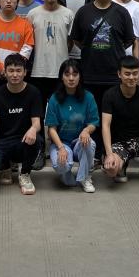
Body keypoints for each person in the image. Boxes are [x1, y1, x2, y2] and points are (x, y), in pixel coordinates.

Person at [69, 0, 135, 108]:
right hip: (89, 75)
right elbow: (76, 39)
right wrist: (90, 47)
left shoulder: (122, 12)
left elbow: (129, 40)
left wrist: (114, 48)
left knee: (113, 114)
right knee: (91, 114)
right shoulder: (83, 12)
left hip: (115, 76)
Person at [0, 53, 44, 194]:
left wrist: (33, 129)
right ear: (5, 72)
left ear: (25, 72)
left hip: (23, 140)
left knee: (37, 140)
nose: (15, 75)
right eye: (11, 71)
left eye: (18, 71)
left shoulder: (33, 92)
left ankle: (25, 173)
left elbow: (37, 123)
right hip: (3, 141)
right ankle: (5, 168)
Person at [100, 56, 139, 184]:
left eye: (135, 73)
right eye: (127, 74)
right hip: (119, 143)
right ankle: (119, 164)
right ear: (119, 74)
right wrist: (109, 154)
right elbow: (105, 126)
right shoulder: (110, 95)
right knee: (111, 170)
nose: (131, 77)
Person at [45, 59, 99, 193]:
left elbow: (94, 122)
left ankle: (85, 177)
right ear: (61, 77)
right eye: (67, 74)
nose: (71, 78)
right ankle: (65, 173)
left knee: (89, 143)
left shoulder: (88, 97)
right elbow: (51, 129)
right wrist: (61, 147)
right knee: (61, 165)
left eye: (75, 74)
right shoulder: (54, 99)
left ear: (80, 77)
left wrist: (86, 130)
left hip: (78, 142)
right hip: (61, 142)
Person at [28, 0, 75, 103]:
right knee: (39, 106)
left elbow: (71, 41)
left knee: (60, 105)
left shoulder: (68, 14)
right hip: (38, 70)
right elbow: (29, 41)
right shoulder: (33, 14)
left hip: (61, 70)